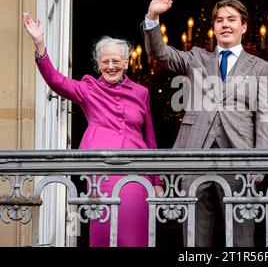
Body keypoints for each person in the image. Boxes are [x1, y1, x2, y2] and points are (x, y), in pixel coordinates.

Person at [142, 0, 268, 247]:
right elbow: (161, 53)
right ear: (214, 26)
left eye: (232, 20)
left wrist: (260, 162)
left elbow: (266, 117)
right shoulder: (196, 58)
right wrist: (153, 17)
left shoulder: (262, 66)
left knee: (241, 234)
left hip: (240, 155)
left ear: (244, 27)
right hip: (195, 153)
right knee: (194, 232)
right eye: (220, 20)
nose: (225, 25)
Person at [23, 13, 164, 247]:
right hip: (102, 171)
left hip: (137, 172)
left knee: (135, 235)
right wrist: (39, 44)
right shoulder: (88, 89)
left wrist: (157, 180)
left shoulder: (141, 92)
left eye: (116, 61)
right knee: (104, 232)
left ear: (126, 62)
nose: (111, 66)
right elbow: (55, 80)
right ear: (98, 64)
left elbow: (149, 137)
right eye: (105, 61)